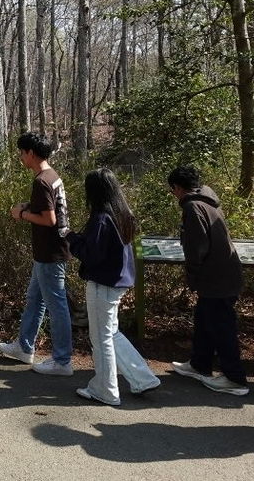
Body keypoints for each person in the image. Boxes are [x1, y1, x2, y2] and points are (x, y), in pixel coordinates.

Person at [68, 168, 160, 405]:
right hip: (118, 281)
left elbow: (92, 254)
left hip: (103, 283)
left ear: (94, 192)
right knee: (111, 333)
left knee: (100, 338)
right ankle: (142, 378)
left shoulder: (101, 218)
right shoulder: (122, 213)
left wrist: (70, 238)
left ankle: (106, 389)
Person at [167, 165, 248, 396]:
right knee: (204, 319)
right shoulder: (207, 200)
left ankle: (235, 379)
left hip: (216, 278)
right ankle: (199, 364)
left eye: (173, 190)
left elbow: (196, 248)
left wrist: (192, 275)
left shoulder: (193, 207)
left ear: (178, 188)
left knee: (222, 327)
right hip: (221, 274)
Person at [0, 133, 74, 377]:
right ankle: (24, 346)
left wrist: (21, 214)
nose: (21, 157)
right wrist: (28, 207)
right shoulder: (51, 176)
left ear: (31, 153)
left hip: (51, 252)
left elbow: (49, 219)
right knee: (35, 298)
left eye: (22, 152)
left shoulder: (41, 181)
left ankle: (62, 360)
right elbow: (49, 209)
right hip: (49, 251)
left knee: (56, 305)